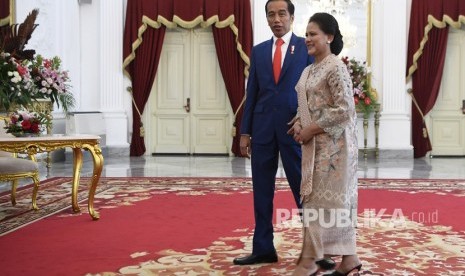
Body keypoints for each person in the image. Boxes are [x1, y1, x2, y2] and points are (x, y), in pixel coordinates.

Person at [233, 0, 316, 266]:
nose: (277, 19)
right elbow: (252, 93)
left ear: (292, 17)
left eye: (282, 14)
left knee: (304, 191)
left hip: (296, 131)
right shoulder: (258, 52)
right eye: (271, 14)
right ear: (266, 19)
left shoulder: (306, 48)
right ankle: (263, 248)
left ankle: (316, 250)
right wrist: (245, 132)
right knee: (262, 192)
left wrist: (307, 120)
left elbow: (315, 92)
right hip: (263, 130)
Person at [288, 12, 362, 276]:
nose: (307, 39)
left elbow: (344, 109)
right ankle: (350, 259)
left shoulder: (335, 67)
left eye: (313, 34)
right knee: (320, 202)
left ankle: (309, 261)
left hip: (335, 150)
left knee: (322, 204)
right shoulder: (309, 69)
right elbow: (308, 106)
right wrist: (298, 123)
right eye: (306, 34)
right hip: (315, 147)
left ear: (329, 37)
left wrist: (309, 128)